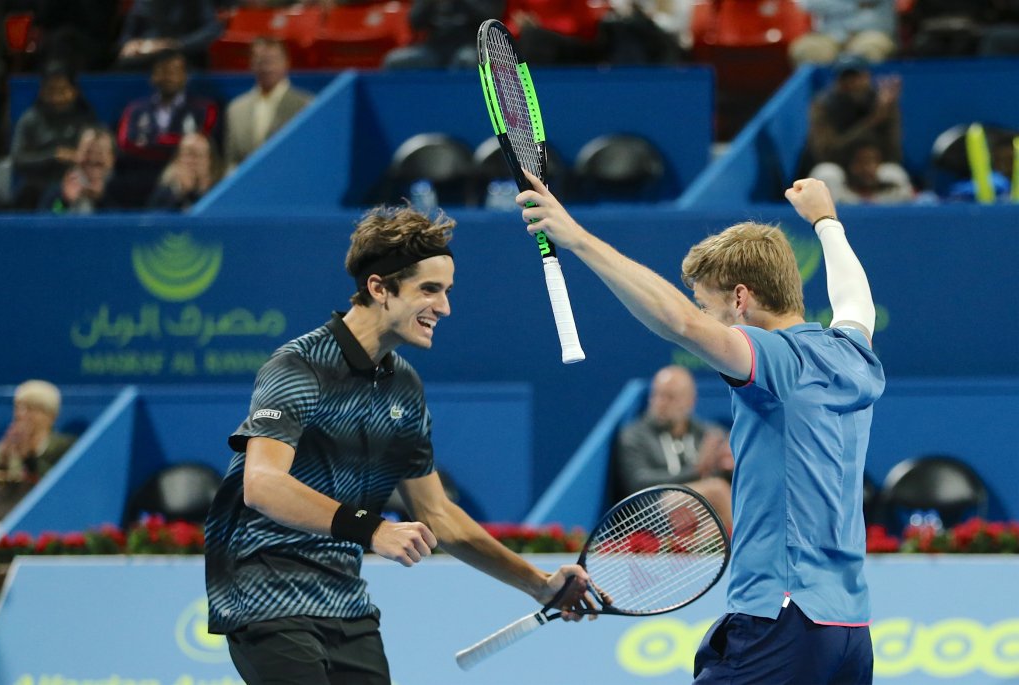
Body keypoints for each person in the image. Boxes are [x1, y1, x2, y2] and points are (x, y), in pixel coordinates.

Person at [514, 171, 884, 683]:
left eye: (711, 308)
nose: (709, 322)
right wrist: (826, 222)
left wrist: (574, 235)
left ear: (740, 299)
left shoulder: (774, 358)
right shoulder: (851, 355)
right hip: (850, 629)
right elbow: (854, 299)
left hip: (782, 615)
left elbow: (680, 323)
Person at [204, 204, 592, 683]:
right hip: (263, 592)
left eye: (447, 291)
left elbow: (439, 515)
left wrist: (539, 586)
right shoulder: (299, 366)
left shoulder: (403, 387)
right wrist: (372, 529)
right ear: (379, 288)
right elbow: (261, 484)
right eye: (429, 290)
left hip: (344, 600)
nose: (445, 307)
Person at [613, 364, 733, 530]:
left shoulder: (707, 434)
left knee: (714, 524)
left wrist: (727, 465)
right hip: (652, 511)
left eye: (670, 397)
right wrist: (696, 470)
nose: (661, 403)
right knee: (717, 491)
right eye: (656, 395)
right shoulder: (634, 435)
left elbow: (720, 474)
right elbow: (638, 482)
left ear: (691, 401)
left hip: (698, 513)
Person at [116, 49, 220, 205]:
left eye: (174, 71)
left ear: (185, 76)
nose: (168, 77)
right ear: (152, 76)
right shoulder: (135, 109)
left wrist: (152, 142)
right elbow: (126, 144)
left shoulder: (204, 109)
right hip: (140, 178)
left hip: (190, 177)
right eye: (163, 71)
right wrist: (177, 143)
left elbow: (202, 144)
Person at [9, 61, 101, 210]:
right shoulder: (30, 119)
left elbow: (100, 154)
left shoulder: (86, 119)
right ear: (42, 92)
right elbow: (18, 159)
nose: (57, 97)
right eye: (51, 90)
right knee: (38, 201)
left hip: (75, 184)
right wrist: (53, 156)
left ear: (74, 91)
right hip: (39, 186)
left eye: (63, 90)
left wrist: (78, 157)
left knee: (74, 202)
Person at [800, 54, 902, 178]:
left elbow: (893, 152)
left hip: (873, 168)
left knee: (893, 173)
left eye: (855, 76)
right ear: (837, 81)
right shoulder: (824, 106)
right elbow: (826, 153)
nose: (850, 83)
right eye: (844, 77)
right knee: (827, 173)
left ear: (867, 76)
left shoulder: (882, 103)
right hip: (840, 169)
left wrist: (888, 114)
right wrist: (872, 121)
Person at [223, 37, 314, 173]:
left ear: (286, 62)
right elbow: (231, 162)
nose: (266, 67)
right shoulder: (236, 109)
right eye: (260, 61)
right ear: (251, 64)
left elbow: (309, 157)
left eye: (272, 61)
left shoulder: (307, 106)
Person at [0, 380, 77, 522]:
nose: (22, 415)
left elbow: (62, 486)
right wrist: (3, 460)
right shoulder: (3, 448)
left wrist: (29, 458)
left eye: (31, 409)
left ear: (51, 415)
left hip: (49, 519)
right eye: (19, 407)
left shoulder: (65, 447)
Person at [382, 0, 505, 70]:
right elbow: (414, 22)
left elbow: (491, 19)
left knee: (467, 60)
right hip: (434, 47)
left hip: (471, 44)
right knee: (394, 61)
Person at [39, 125, 133, 213]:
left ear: (112, 158)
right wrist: (65, 201)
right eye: (88, 152)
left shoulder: (124, 188)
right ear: (76, 154)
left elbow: (126, 224)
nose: (93, 158)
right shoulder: (59, 190)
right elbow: (48, 222)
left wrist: (100, 199)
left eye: (100, 153)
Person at [115, 0, 224, 71]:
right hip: (147, 55)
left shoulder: (197, 3)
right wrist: (129, 44)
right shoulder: (143, 2)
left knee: (174, 67)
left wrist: (175, 44)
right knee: (123, 65)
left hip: (182, 54)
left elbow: (213, 29)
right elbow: (127, 35)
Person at [810, 134, 915, 205]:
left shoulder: (893, 193)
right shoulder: (836, 194)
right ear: (849, 165)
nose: (869, 168)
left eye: (874, 161)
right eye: (861, 162)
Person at [790, 0, 898, 66]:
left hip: (871, 33)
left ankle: (868, 100)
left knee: (868, 49)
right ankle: (823, 99)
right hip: (830, 36)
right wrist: (856, 5)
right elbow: (811, 3)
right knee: (806, 49)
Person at [147, 131, 223, 210]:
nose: (192, 162)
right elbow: (156, 219)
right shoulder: (164, 192)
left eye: (198, 155)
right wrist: (182, 193)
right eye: (188, 154)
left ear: (210, 161)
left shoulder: (219, 191)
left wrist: (200, 192)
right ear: (177, 159)